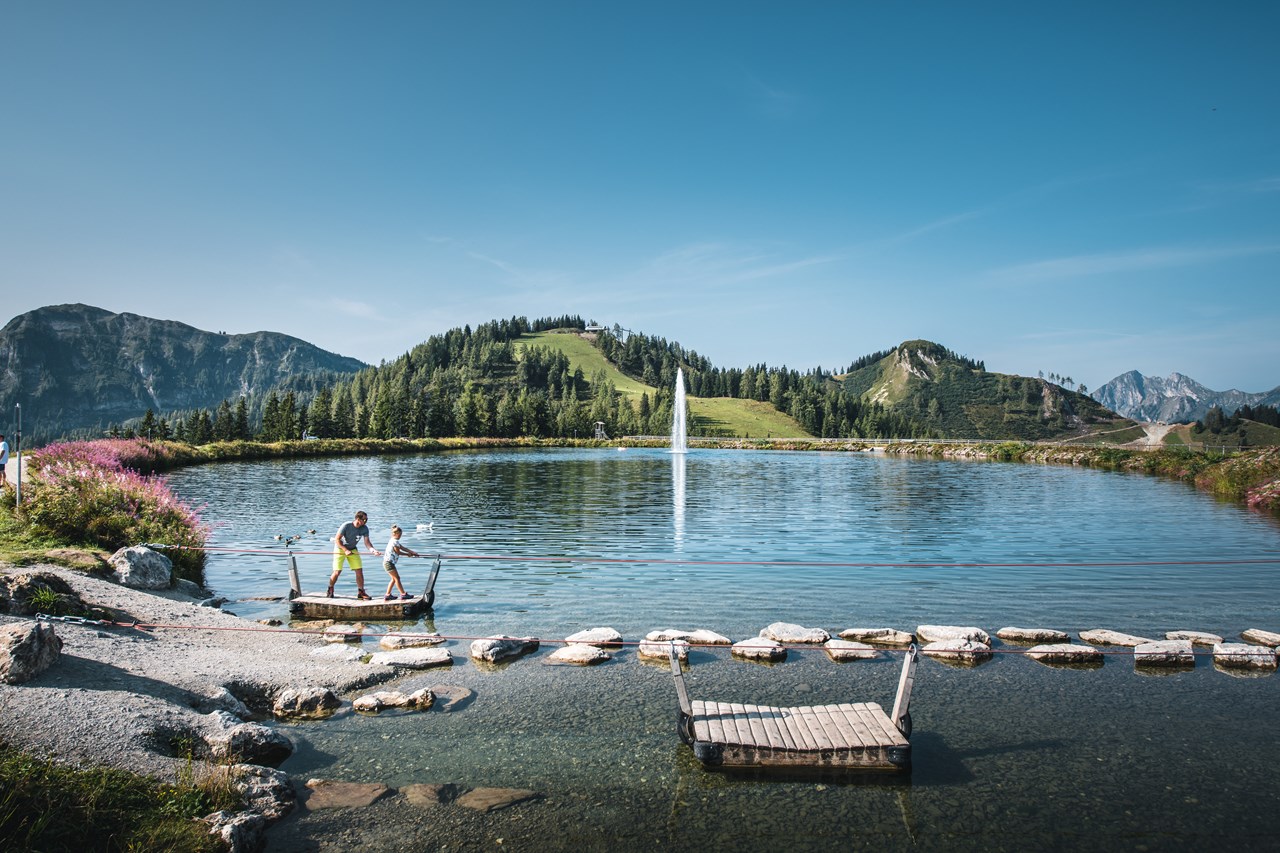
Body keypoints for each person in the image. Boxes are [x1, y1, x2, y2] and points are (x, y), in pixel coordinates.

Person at [327, 511, 380, 600]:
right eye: (364, 519)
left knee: (359, 571)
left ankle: (361, 592)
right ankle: (330, 589)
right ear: (358, 519)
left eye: (366, 520)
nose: (365, 521)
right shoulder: (346, 525)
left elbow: (367, 542)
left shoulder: (364, 528)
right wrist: (345, 550)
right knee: (337, 572)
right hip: (340, 548)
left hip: (353, 549)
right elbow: (337, 539)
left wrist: (373, 550)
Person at [381, 525, 419, 601]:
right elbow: (398, 552)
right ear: (394, 534)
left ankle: (387, 595)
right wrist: (407, 554)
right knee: (397, 578)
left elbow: (403, 548)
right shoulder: (394, 542)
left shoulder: (393, 540)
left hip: (387, 563)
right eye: (399, 534)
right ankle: (403, 594)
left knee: (394, 578)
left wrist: (412, 552)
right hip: (389, 563)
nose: (400, 536)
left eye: (401, 534)